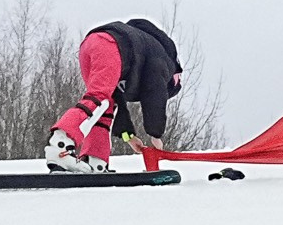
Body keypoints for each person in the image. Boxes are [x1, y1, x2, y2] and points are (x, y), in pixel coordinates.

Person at [46, 18, 182, 171]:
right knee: (99, 98)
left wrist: (129, 137)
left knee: (104, 105)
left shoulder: (143, 48)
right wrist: (155, 134)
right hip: (110, 45)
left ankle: (95, 160)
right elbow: (155, 96)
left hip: (90, 44)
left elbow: (117, 100)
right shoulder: (164, 63)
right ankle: (60, 143)